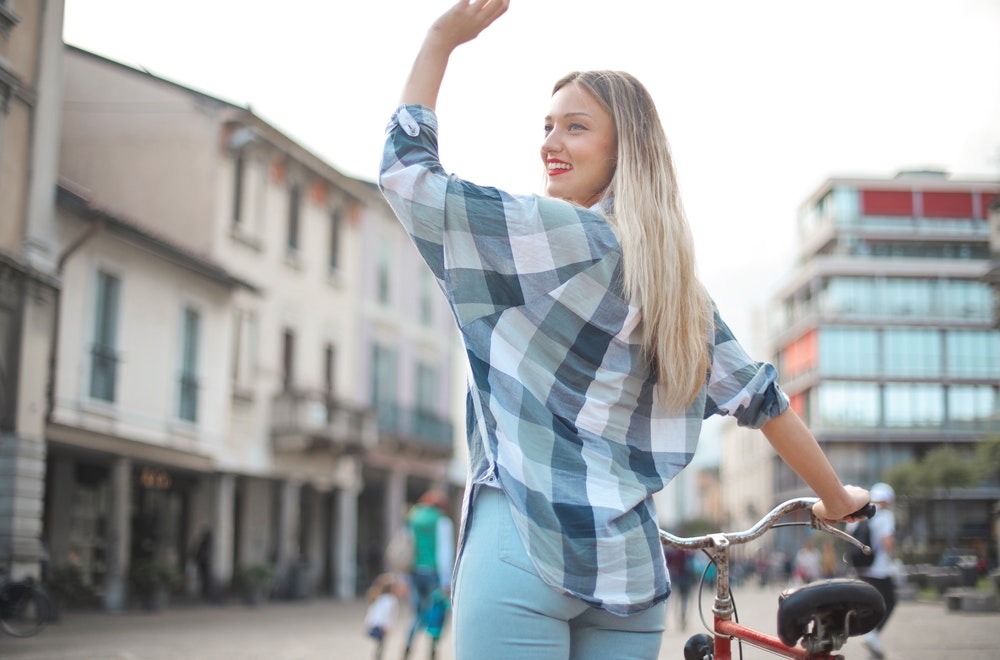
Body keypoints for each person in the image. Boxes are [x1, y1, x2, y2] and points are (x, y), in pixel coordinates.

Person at [378, 3, 871, 658]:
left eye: (575, 127)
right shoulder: (674, 284)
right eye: (547, 125)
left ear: (622, 148)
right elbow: (764, 401)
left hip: (522, 539)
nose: (550, 142)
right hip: (630, 568)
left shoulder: (547, 233)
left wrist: (440, 41)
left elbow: (408, 178)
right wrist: (836, 500)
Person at [403, 490, 454, 659]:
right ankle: (432, 651)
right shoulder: (442, 520)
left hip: (414, 572)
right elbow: (444, 552)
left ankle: (408, 647)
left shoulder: (413, 517)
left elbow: (407, 547)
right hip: (433, 573)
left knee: (417, 613)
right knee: (436, 611)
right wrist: (447, 580)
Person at [854, 482, 896, 660]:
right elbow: (888, 544)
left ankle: (871, 640)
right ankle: (872, 634)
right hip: (879, 570)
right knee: (890, 601)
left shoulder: (859, 516)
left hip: (861, 569)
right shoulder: (884, 515)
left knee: (868, 605)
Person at [365, 573, 406, 660]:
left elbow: (373, 612)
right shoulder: (391, 600)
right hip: (383, 625)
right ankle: (378, 656)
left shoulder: (379, 598)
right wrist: (388, 626)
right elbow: (390, 615)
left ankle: (377, 656)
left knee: (379, 643)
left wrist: (369, 623)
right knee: (382, 643)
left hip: (375, 623)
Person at [664, 546, 693, 630]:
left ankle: (667, 620)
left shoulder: (670, 552)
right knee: (683, 601)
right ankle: (682, 619)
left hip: (675, 578)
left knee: (671, 601)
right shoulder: (686, 552)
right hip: (684, 578)